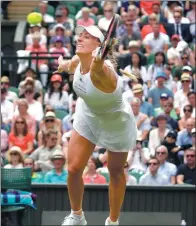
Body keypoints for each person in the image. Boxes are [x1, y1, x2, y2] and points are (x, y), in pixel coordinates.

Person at [55, 24, 137, 226]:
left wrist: (98, 62)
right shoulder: (78, 60)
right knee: (73, 169)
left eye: (86, 36)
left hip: (116, 123)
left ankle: (113, 221)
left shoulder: (103, 72)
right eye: (79, 35)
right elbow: (70, 64)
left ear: (99, 45)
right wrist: (62, 65)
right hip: (89, 114)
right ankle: (77, 216)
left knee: (116, 171)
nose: (79, 38)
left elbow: (97, 68)